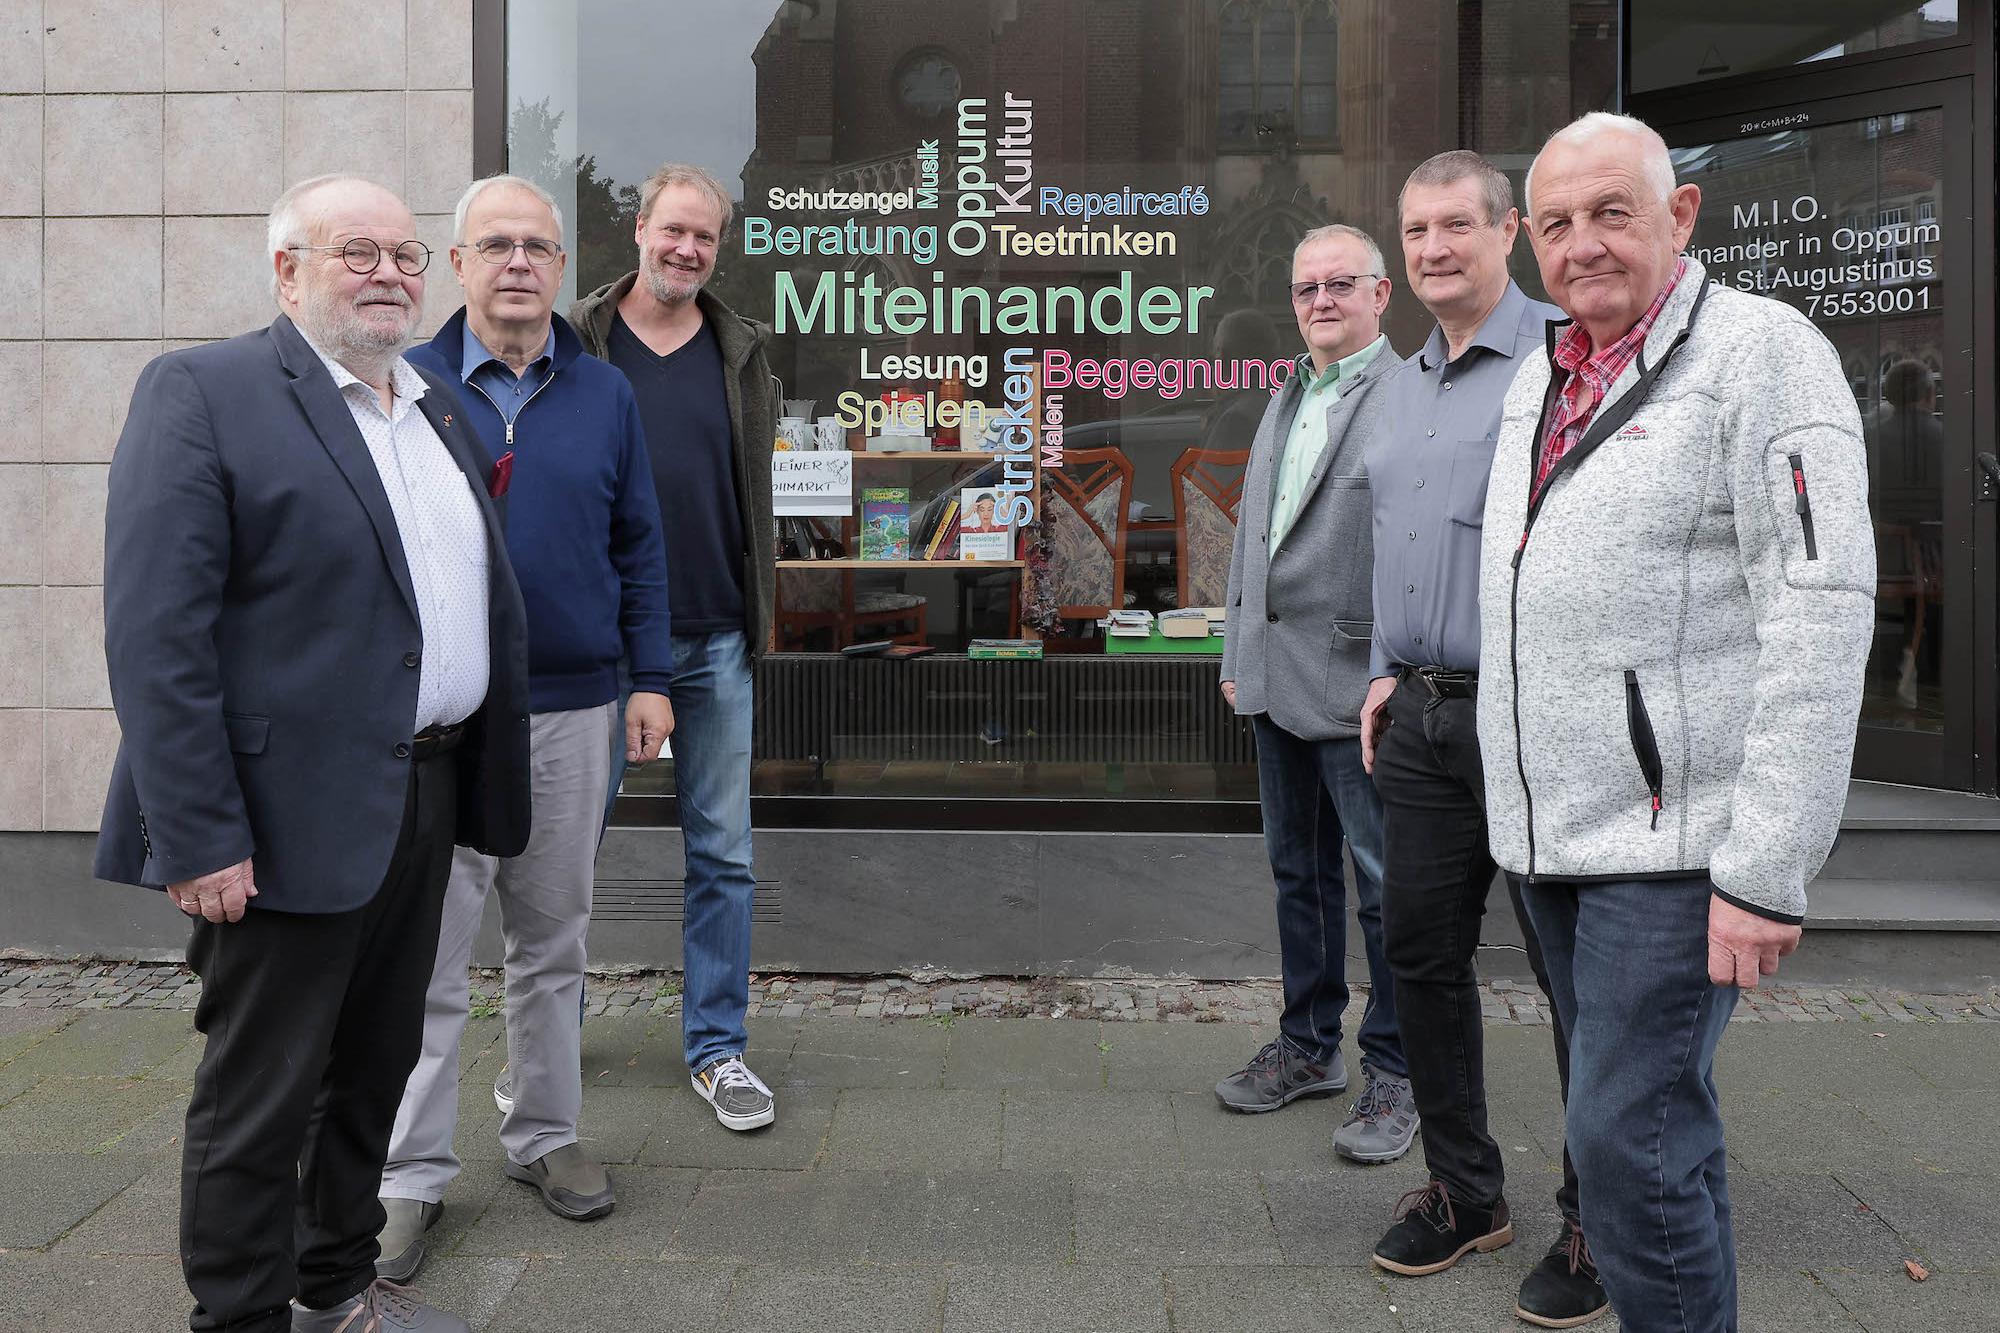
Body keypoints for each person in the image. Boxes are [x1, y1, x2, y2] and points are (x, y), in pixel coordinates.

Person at [94, 174, 531, 1333]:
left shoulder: (430, 405)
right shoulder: (204, 391)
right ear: (287, 271)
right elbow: (156, 637)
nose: (388, 272)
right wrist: (198, 832)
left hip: (422, 792)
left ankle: (336, 1289)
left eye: (403, 254)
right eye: (355, 252)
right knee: (262, 1094)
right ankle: (238, 1317)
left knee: (374, 1069)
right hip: (280, 817)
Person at [1478, 111, 1873, 1333]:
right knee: (1654, 1132)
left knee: (1620, 1150)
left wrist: (1766, 867)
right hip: (1550, 838)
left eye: (1611, 212)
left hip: (1675, 843)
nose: (1583, 243)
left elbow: (1820, 605)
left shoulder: (1763, 354)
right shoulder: (1543, 371)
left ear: (1679, 216)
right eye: (1556, 222)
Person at [373, 174, 676, 1277]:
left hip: (572, 706)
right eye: (492, 243)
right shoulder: (399, 388)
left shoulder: (605, 398)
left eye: (536, 246)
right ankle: (406, 1176)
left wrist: (651, 677)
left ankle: (544, 1136)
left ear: (561, 267)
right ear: (454, 265)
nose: (515, 262)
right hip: (442, 724)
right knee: (430, 954)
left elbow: (640, 547)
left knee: (551, 942)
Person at [1358, 151, 1607, 1328]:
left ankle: (1598, 1216)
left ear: (1505, 230)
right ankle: (1465, 1193)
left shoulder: (1566, 362)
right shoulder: (1395, 380)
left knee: (1574, 980)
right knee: (1415, 958)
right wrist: (1377, 668)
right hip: (1418, 716)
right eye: (1415, 229)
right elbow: (1389, 537)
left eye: (1456, 223)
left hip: (1534, 716)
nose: (1433, 247)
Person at [571, 162, 782, 1131]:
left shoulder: (739, 352)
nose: (687, 250)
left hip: (715, 640)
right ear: (638, 229)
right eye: (673, 231)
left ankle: (716, 1048)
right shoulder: (579, 345)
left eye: (704, 237)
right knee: (565, 854)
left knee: (724, 855)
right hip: (598, 651)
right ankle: (546, 1040)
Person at [1216, 225, 1418, 1162]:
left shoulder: (1411, 395)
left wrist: (1393, 666)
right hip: (1272, 680)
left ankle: (1399, 1070)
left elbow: (1419, 556)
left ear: (1384, 295)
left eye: (1342, 284)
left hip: (1357, 687)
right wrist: (1234, 651)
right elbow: (1252, 538)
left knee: (1382, 888)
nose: (1321, 301)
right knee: (1298, 876)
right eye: (1306, 288)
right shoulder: (1288, 394)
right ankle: (1308, 1045)